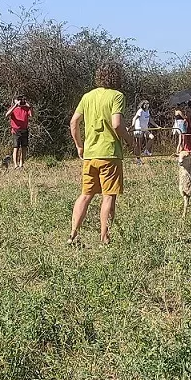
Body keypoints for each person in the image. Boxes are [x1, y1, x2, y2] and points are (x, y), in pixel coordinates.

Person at [68, 63, 136, 246]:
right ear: (117, 78)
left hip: (90, 155)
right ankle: (105, 237)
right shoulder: (117, 96)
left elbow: (74, 122)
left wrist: (79, 146)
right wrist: (130, 142)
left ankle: (73, 234)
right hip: (110, 154)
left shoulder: (87, 96)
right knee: (108, 196)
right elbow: (116, 124)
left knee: (85, 195)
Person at [6, 95, 33, 169]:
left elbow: (31, 115)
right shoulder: (13, 108)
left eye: (22, 100)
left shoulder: (26, 108)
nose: (21, 101)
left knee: (24, 147)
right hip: (16, 130)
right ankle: (15, 165)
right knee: (16, 147)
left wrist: (30, 106)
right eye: (19, 99)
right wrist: (15, 105)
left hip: (24, 130)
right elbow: (7, 115)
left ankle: (21, 164)